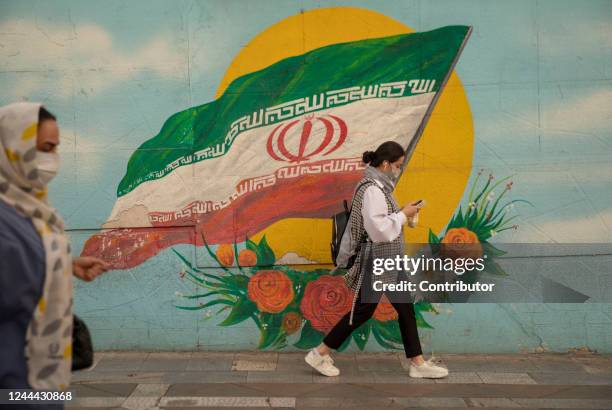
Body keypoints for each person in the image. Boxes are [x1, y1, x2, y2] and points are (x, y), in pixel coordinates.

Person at [305, 141, 448, 378]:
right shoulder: (372, 189)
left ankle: (418, 363)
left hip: (388, 260)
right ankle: (320, 354)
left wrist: (403, 211)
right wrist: (403, 215)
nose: (399, 170)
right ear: (385, 164)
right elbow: (378, 230)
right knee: (363, 311)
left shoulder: (379, 187)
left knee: (405, 308)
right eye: (398, 165)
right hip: (378, 260)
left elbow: (381, 220)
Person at [0, 102, 109, 404]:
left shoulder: (27, 206)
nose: (51, 160)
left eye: (55, 149)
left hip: (41, 370)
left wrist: (66, 265)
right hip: (12, 376)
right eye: (44, 148)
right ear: (11, 146)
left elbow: (21, 259)